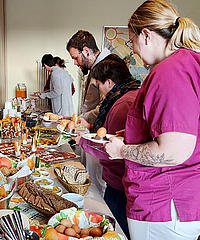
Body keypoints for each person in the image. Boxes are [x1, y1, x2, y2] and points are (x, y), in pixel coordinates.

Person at [105, 1, 200, 239]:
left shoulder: (170, 71)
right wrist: (132, 137)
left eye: (132, 41)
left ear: (146, 35)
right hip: (179, 201)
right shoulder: (188, 63)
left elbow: (174, 151)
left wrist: (123, 150)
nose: (133, 49)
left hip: (163, 205)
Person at [78, 54, 140, 239]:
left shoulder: (123, 104)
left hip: (119, 182)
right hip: (123, 181)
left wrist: (81, 139)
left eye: (99, 85)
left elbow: (110, 147)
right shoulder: (128, 95)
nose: (101, 92)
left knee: (115, 231)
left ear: (110, 82)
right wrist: (90, 128)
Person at [66, 30, 111, 124]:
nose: (75, 63)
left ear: (86, 51)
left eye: (75, 58)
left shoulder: (105, 69)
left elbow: (105, 107)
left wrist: (79, 119)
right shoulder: (95, 67)